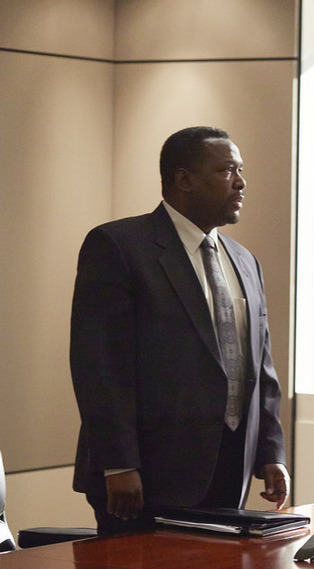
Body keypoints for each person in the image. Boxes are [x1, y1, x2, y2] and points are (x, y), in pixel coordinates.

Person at [71, 126, 290, 536]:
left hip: (230, 474)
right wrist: (118, 462)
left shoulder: (245, 262)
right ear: (184, 179)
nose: (241, 183)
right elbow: (98, 366)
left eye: (240, 170)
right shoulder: (118, 247)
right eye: (227, 170)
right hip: (145, 477)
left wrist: (271, 452)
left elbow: (260, 368)